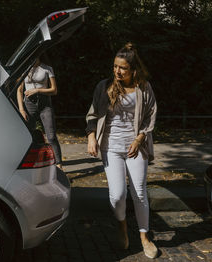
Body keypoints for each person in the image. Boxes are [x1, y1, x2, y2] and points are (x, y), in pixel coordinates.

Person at [86, 43, 157, 258]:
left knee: (139, 193)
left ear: (133, 70)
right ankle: (122, 226)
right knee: (117, 196)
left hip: (135, 147)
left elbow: (150, 115)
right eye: (115, 66)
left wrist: (139, 138)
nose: (117, 71)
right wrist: (91, 136)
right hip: (111, 147)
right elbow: (92, 114)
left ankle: (144, 237)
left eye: (123, 68)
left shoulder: (143, 88)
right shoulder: (104, 86)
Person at [17, 55, 63, 169]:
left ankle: (59, 165)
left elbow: (54, 90)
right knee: (28, 135)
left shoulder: (47, 68)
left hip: (44, 104)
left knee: (51, 136)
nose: (32, 59)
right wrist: (21, 109)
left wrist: (38, 90)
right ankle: (29, 163)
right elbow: (19, 90)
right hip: (28, 104)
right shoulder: (25, 69)